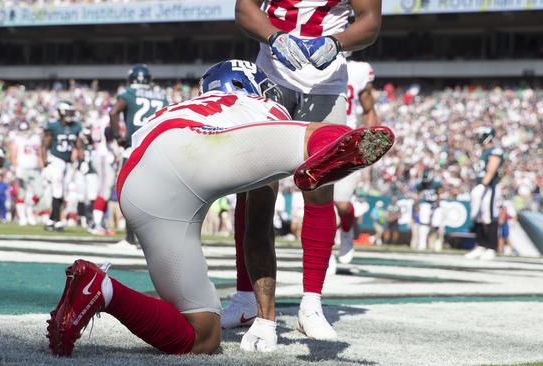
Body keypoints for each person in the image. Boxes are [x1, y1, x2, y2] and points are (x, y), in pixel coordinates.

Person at [46, 61, 394, 356]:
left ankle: (102, 290)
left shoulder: (180, 105)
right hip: (200, 149)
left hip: (137, 184)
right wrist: (266, 319)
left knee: (203, 334)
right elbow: (257, 231)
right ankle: (321, 153)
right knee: (319, 132)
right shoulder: (260, 106)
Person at [227, 0, 382, 343]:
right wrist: (274, 37)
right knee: (255, 187)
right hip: (271, 76)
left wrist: (337, 42)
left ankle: (311, 304)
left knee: (320, 189)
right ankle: (245, 296)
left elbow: (370, 21)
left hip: (326, 85)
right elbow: (244, 8)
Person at [109, 64, 169, 247]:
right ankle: (154, 238)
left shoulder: (128, 93)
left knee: (130, 195)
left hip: (134, 148)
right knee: (153, 196)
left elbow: (113, 112)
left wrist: (118, 137)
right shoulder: (162, 96)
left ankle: (129, 239)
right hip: (155, 149)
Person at [336, 59, 378, 264]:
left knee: (342, 204)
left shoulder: (359, 69)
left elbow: (369, 110)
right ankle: (324, 254)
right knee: (319, 202)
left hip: (348, 141)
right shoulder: (308, 66)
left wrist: (369, 146)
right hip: (317, 137)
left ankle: (346, 230)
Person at [42, 101, 83, 232]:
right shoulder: (53, 126)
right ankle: (58, 221)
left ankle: (50, 220)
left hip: (67, 163)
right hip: (55, 160)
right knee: (57, 190)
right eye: (68, 112)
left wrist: (80, 155)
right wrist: (44, 160)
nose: (70, 114)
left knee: (62, 193)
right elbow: (45, 144)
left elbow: (77, 143)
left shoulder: (76, 126)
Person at [466, 127, 505, 260]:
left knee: (489, 215)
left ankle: (491, 247)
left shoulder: (495, 151)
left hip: (489, 187)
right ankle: (481, 245)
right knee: (479, 216)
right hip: (482, 186)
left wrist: (483, 185)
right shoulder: (484, 152)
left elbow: (492, 169)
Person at [9, 121, 43, 226]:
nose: (24, 132)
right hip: (22, 168)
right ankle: (22, 217)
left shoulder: (35, 138)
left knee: (39, 192)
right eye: (22, 130)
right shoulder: (17, 139)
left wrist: (42, 165)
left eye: (25, 130)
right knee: (21, 193)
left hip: (34, 168)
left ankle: (29, 211)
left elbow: (39, 153)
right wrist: (15, 167)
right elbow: (13, 153)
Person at [416, 169, 443, 251]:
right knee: (423, 224)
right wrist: (417, 204)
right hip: (426, 204)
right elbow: (417, 194)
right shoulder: (421, 184)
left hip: (436, 205)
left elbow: (440, 194)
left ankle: (438, 243)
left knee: (436, 224)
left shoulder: (436, 184)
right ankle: (422, 244)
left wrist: (437, 203)